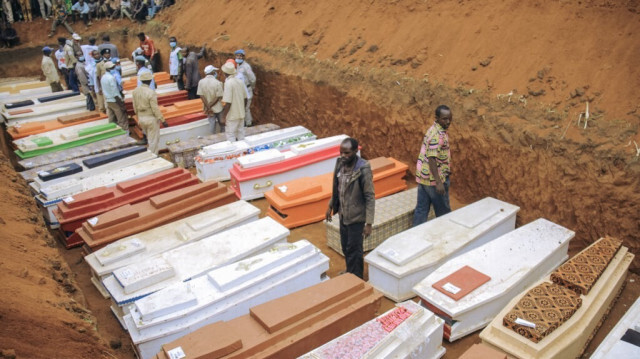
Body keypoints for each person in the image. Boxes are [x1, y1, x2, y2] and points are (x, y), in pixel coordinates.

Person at [325, 137, 375, 279]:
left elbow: (370, 196)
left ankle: (356, 277)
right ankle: (350, 271)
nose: (343, 156)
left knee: (355, 249)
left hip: (356, 217)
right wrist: (330, 205)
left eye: (347, 153)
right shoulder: (340, 163)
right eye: (341, 152)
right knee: (346, 247)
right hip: (343, 215)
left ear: (355, 151)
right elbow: (338, 188)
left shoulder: (363, 169)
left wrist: (369, 223)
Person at [412, 105, 453, 226]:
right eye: (444, 119)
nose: (448, 121)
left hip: (423, 178)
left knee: (421, 209)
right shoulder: (438, 135)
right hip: (434, 181)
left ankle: (415, 236)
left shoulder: (432, 129)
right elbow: (432, 158)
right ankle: (446, 236)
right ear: (437, 118)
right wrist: (439, 182)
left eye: (450, 118)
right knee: (443, 212)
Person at [132, 71, 167, 154]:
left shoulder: (135, 91)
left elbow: (134, 106)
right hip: (150, 118)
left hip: (141, 118)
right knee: (153, 141)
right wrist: (163, 120)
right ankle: (153, 158)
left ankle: (151, 156)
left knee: (149, 138)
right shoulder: (151, 92)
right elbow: (155, 109)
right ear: (150, 81)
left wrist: (138, 116)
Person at [220, 61, 247, 141]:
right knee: (241, 134)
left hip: (232, 116)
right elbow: (245, 98)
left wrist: (223, 117)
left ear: (225, 73)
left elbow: (228, 102)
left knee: (231, 135)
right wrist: (243, 110)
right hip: (241, 114)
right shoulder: (240, 82)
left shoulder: (228, 83)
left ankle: (234, 153)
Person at [101, 61, 128, 131]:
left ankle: (111, 130)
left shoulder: (103, 77)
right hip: (114, 100)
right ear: (108, 69)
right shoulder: (111, 78)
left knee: (112, 117)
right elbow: (115, 92)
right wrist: (120, 103)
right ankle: (125, 131)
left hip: (108, 100)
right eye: (112, 68)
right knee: (121, 117)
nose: (114, 68)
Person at [197, 65, 224, 134]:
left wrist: (208, 106)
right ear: (212, 72)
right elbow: (218, 97)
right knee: (222, 123)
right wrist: (211, 105)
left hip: (208, 108)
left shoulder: (201, 82)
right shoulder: (218, 83)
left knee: (212, 124)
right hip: (217, 107)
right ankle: (223, 135)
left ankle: (212, 137)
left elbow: (201, 95)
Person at [234, 49, 256, 127]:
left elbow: (252, 78)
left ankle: (249, 123)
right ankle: (244, 124)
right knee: (242, 108)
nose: (238, 57)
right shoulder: (237, 65)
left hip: (247, 89)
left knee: (246, 108)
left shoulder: (246, 67)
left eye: (240, 56)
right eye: (237, 56)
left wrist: (252, 87)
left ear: (243, 57)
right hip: (240, 90)